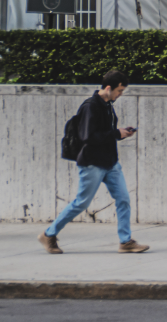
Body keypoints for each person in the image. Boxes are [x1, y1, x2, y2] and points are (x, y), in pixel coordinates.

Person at [41, 71, 148, 254]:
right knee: (81, 203)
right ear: (108, 88)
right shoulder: (91, 107)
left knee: (123, 199)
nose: (120, 94)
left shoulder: (107, 105)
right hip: (92, 163)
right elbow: (88, 136)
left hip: (111, 162)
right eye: (119, 91)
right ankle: (49, 235)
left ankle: (126, 241)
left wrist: (121, 132)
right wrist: (116, 133)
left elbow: (106, 133)